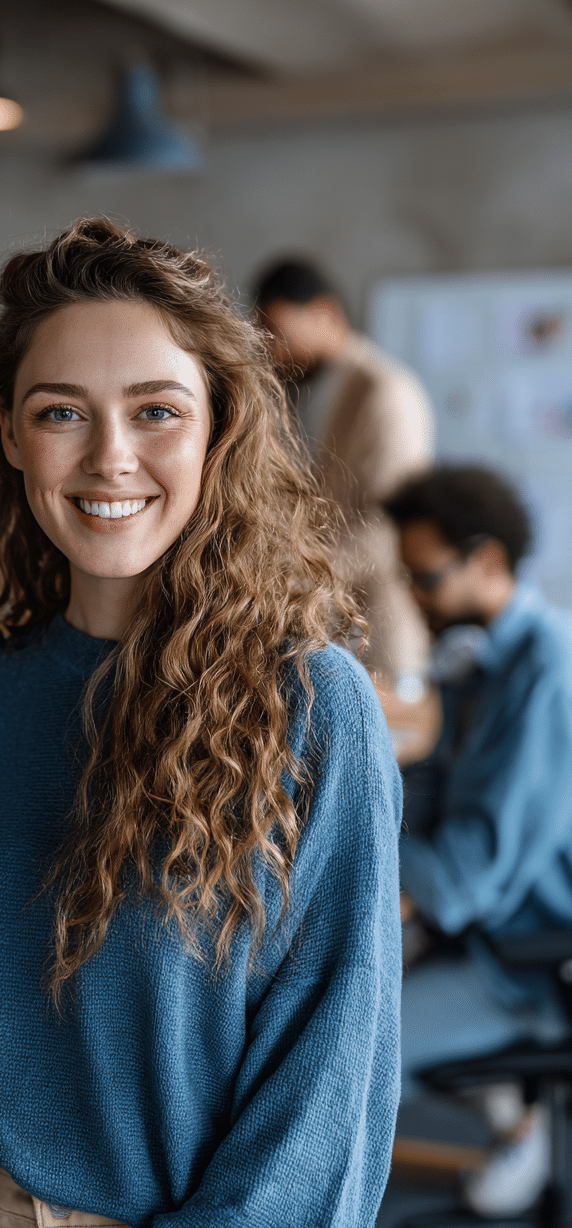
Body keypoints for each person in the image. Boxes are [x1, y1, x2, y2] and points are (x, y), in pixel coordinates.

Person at [0, 218, 402, 1228]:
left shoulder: (315, 704)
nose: (111, 457)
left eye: (155, 409)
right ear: (17, 437)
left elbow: (322, 1112)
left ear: (218, 429)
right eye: (62, 410)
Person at [384, 465, 572, 1219]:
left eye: (426, 578)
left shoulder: (545, 673)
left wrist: (349, 832)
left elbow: (461, 879)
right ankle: (512, 1113)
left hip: (524, 965)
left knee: (340, 1049)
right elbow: (430, 808)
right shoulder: (474, 660)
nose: (414, 599)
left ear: (488, 562)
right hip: (472, 938)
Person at [253, 257, 434, 706]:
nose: (274, 350)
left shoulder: (386, 390)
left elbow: (389, 525)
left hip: (378, 631)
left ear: (325, 314)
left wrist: (293, 581)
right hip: (328, 625)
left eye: (280, 332)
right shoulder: (313, 388)